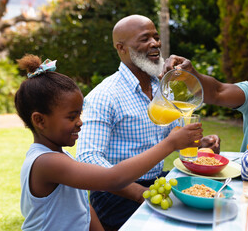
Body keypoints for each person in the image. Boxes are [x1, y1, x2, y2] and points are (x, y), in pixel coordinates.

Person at [15, 54, 203, 231]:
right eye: (72, 117)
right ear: (40, 120)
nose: (80, 122)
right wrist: (170, 144)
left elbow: (82, 207)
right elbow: (113, 178)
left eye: (79, 114)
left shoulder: (59, 157)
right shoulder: (47, 163)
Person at [76, 14, 220, 230]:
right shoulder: (104, 95)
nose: (155, 43)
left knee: (211, 207)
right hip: (116, 195)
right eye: (144, 39)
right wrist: (138, 193)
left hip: (156, 182)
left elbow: (172, 134)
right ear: (121, 48)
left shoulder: (164, 87)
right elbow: (88, 159)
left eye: (156, 37)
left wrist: (201, 144)